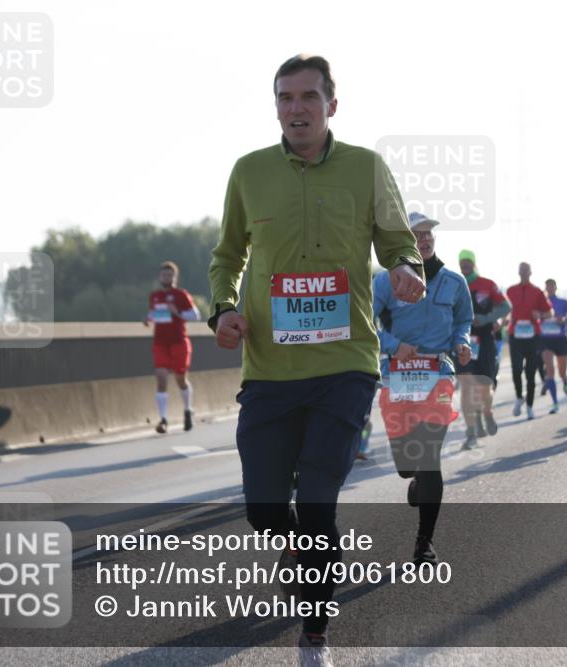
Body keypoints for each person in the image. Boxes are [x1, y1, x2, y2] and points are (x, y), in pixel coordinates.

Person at [207, 54, 425, 663]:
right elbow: (226, 256)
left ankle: (315, 633)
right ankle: (295, 547)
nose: (296, 108)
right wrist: (223, 309)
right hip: (270, 368)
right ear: (275, 105)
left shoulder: (366, 167)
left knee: (320, 499)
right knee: (266, 511)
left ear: (333, 103)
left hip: (345, 363)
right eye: (285, 98)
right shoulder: (248, 173)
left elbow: (396, 239)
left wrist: (405, 268)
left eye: (308, 97)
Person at [374, 212, 472, 564]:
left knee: (429, 457)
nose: (425, 240)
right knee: (406, 463)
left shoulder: (453, 282)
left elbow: (464, 319)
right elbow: (367, 320)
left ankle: (424, 542)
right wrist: (391, 345)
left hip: (439, 374)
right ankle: (414, 480)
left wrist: (462, 343)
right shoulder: (386, 281)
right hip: (398, 375)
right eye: (416, 235)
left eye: (428, 234)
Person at [454, 249, 510, 449]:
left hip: (484, 340)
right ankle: (470, 434)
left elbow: (506, 307)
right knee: (467, 387)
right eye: (462, 262)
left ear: (473, 263)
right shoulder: (453, 284)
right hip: (462, 342)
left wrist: (486, 319)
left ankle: (487, 412)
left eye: (468, 261)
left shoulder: (487, 284)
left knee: (485, 387)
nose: (465, 265)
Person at [143, 261, 200, 433]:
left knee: (180, 379)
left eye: (169, 275)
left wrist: (177, 312)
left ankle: (188, 410)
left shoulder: (181, 295)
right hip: (160, 342)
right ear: (160, 276)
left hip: (179, 342)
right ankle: (163, 419)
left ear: (174, 277)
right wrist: (148, 319)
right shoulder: (154, 296)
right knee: (161, 378)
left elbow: (195, 316)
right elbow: (154, 314)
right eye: (163, 275)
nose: (166, 278)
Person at [506, 263, 552, 420]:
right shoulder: (511, 291)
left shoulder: (538, 291)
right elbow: (506, 311)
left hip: (533, 337)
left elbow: (549, 313)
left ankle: (530, 407)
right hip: (515, 335)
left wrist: (539, 314)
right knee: (516, 369)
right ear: (518, 272)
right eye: (522, 270)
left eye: (526, 271)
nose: (524, 273)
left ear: (531, 272)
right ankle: (520, 396)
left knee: (531, 372)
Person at [539, 278, 567, 413]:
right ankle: (555, 403)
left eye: (552, 286)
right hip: (545, 339)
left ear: (556, 287)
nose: (550, 289)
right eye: (547, 286)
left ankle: (565, 380)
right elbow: (534, 317)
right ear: (545, 288)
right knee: (550, 371)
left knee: (561, 371)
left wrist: (564, 320)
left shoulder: (563, 302)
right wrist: (539, 317)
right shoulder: (540, 303)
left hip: (560, 339)